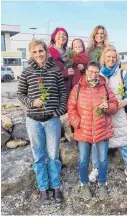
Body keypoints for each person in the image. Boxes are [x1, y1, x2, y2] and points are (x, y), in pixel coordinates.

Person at [17, 40, 67, 204]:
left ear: (46, 51)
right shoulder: (27, 72)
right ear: (31, 54)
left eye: (41, 51)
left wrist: (58, 112)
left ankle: (56, 186)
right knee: (38, 156)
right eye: (35, 52)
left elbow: (63, 94)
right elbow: (20, 94)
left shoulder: (55, 71)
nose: (38, 54)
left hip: (52, 120)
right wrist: (32, 103)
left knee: (53, 156)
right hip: (33, 121)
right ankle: (43, 188)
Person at [68, 61, 118, 200]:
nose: (93, 74)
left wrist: (107, 106)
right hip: (83, 131)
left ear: (99, 73)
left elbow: (115, 105)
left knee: (102, 160)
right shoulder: (77, 88)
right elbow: (71, 109)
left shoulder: (105, 87)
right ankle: (84, 184)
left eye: (96, 72)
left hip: (102, 129)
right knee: (83, 160)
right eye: (90, 71)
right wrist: (78, 123)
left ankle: (102, 183)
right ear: (86, 72)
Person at [89, 46, 127, 184]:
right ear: (103, 58)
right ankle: (96, 168)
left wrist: (125, 100)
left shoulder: (123, 74)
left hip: (118, 112)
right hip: (101, 113)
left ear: (117, 59)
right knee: (96, 142)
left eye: (113, 57)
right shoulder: (98, 74)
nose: (111, 59)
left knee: (123, 141)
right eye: (108, 57)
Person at [49, 27, 75, 95]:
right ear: (54, 37)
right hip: (54, 88)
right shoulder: (49, 52)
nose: (62, 36)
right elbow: (47, 72)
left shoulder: (70, 52)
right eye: (59, 34)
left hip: (67, 87)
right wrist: (64, 73)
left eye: (64, 34)